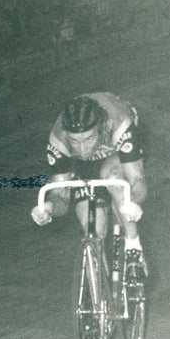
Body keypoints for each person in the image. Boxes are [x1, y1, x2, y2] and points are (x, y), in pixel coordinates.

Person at [30, 92, 148, 279]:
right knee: (93, 231)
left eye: (87, 139)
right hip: (83, 167)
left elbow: (137, 182)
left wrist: (133, 202)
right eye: (75, 141)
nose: (82, 149)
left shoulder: (118, 123)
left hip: (117, 154)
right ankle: (101, 296)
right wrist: (49, 208)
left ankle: (134, 249)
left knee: (113, 176)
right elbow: (61, 196)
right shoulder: (58, 141)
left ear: (100, 128)